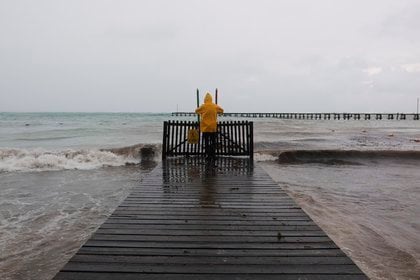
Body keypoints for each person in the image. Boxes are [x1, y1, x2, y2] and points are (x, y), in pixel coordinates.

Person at [195, 92, 224, 161]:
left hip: (205, 128)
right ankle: (213, 155)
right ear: (211, 99)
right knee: (213, 142)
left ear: (205, 99)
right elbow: (222, 110)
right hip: (213, 128)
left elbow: (196, 111)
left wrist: (201, 112)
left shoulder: (203, 106)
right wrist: (217, 112)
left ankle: (207, 155)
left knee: (206, 142)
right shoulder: (214, 106)